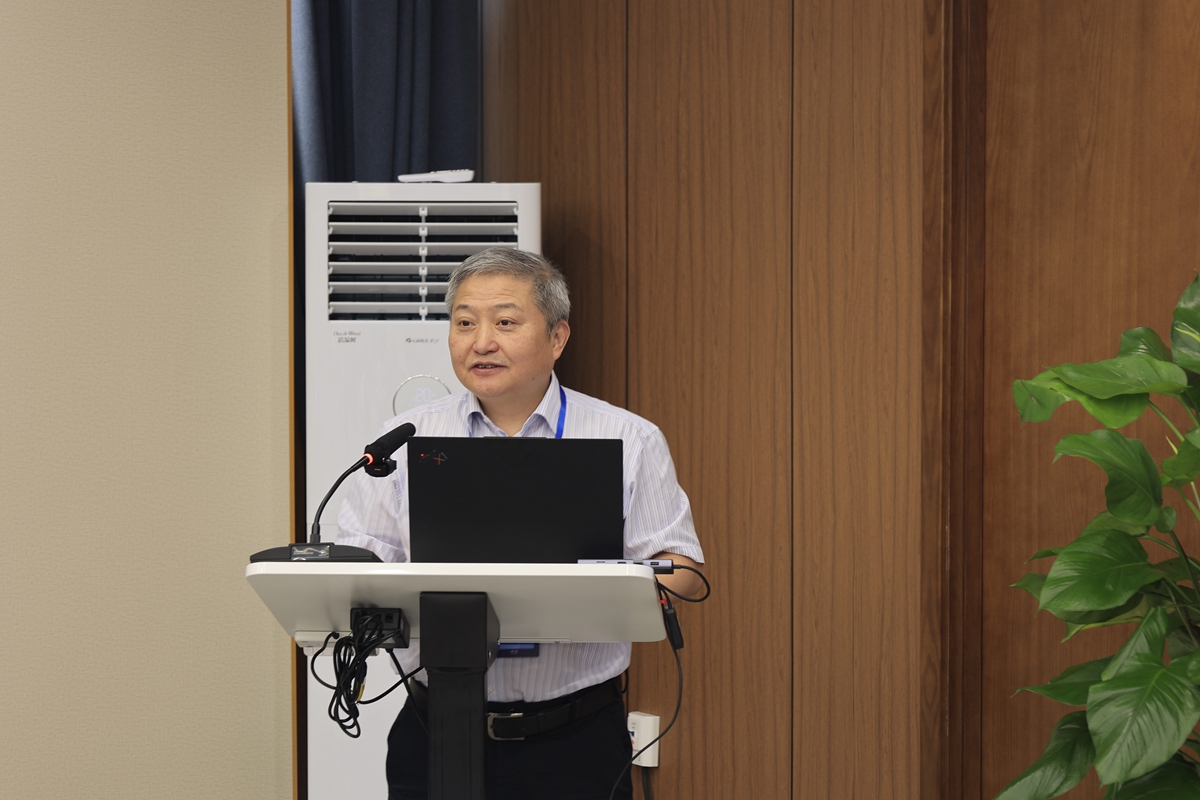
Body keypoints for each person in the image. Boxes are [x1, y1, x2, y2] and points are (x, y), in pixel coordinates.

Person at [337, 246, 705, 800]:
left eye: (505, 322)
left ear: (557, 338)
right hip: (433, 731)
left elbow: (683, 572)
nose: (481, 341)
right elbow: (357, 566)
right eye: (464, 323)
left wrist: (620, 577)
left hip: (576, 740)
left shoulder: (629, 438)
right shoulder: (406, 440)